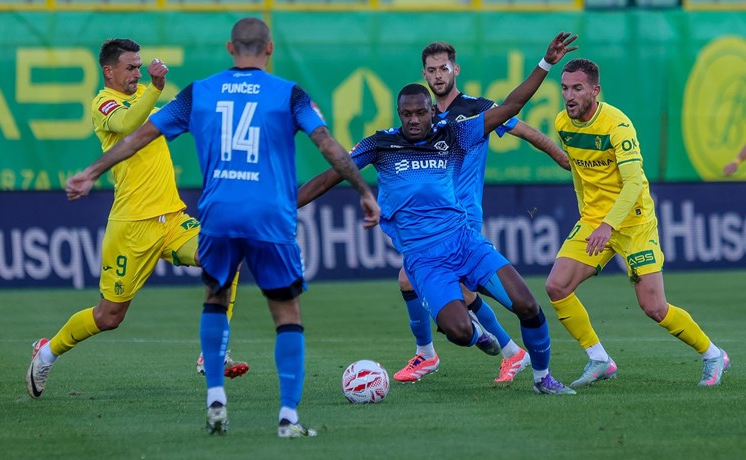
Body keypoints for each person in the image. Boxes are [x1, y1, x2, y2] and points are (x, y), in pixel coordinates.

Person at [63, 18, 380, 437]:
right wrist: (363, 189)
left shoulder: (200, 92)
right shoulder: (289, 93)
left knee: (215, 295)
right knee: (286, 313)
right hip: (268, 214)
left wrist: (90, 172)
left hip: (219, 213)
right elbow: (327, 144)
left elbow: (139, 137)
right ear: (269, 49)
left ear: (230, 48)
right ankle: (288, 418)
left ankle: (216, 399)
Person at [299, 32, 578, 395]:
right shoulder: (381, 144)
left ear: (433, 111)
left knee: (527, 304)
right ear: (399, 114)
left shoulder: (455, 133)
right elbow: (327, 178)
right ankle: (474, 337)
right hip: (425, 258)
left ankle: (543, 379)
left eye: (420, 112)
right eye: (406, 114)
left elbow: (511, 107)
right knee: (459, 331)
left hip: (465, 241)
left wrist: (545, 64)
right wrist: (284, 208)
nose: (414, 120)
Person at [25, 38, 250, 403]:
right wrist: (157, 88)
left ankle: (213, 351)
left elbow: (185, 116)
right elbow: (128, 124)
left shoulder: (145, 95)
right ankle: (47, 352)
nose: (137, 74)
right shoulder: (104, 103)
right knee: (109, 317)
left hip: (172, 218)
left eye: (139, 67)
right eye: (130, 68)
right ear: (109, 71)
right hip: (132, 227)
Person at [391, 42, 573, 384]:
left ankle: (429, 354)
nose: (438, 75)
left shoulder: (477, 109)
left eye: (443, 68)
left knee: (410, 278)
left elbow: (525, 130)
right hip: (434, 223)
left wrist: (562, 158)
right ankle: (510, 351)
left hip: (463, 219)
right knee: (462, 292)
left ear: (455, 69)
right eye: (431, 70)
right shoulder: (422, 117)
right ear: (423, 74)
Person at [545, 58, 730, 387]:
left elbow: (633, 184)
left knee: (654, 307)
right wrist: (587, 213)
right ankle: (599, 359)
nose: (569, 96)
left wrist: (608, 225)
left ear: (595, 91)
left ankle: (713, 354)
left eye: (577, 88)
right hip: (594, 220)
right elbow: (578, 174)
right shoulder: (563, 123)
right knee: (556, 287)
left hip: (634, 221)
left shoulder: (618, 125)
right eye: (564, 88)